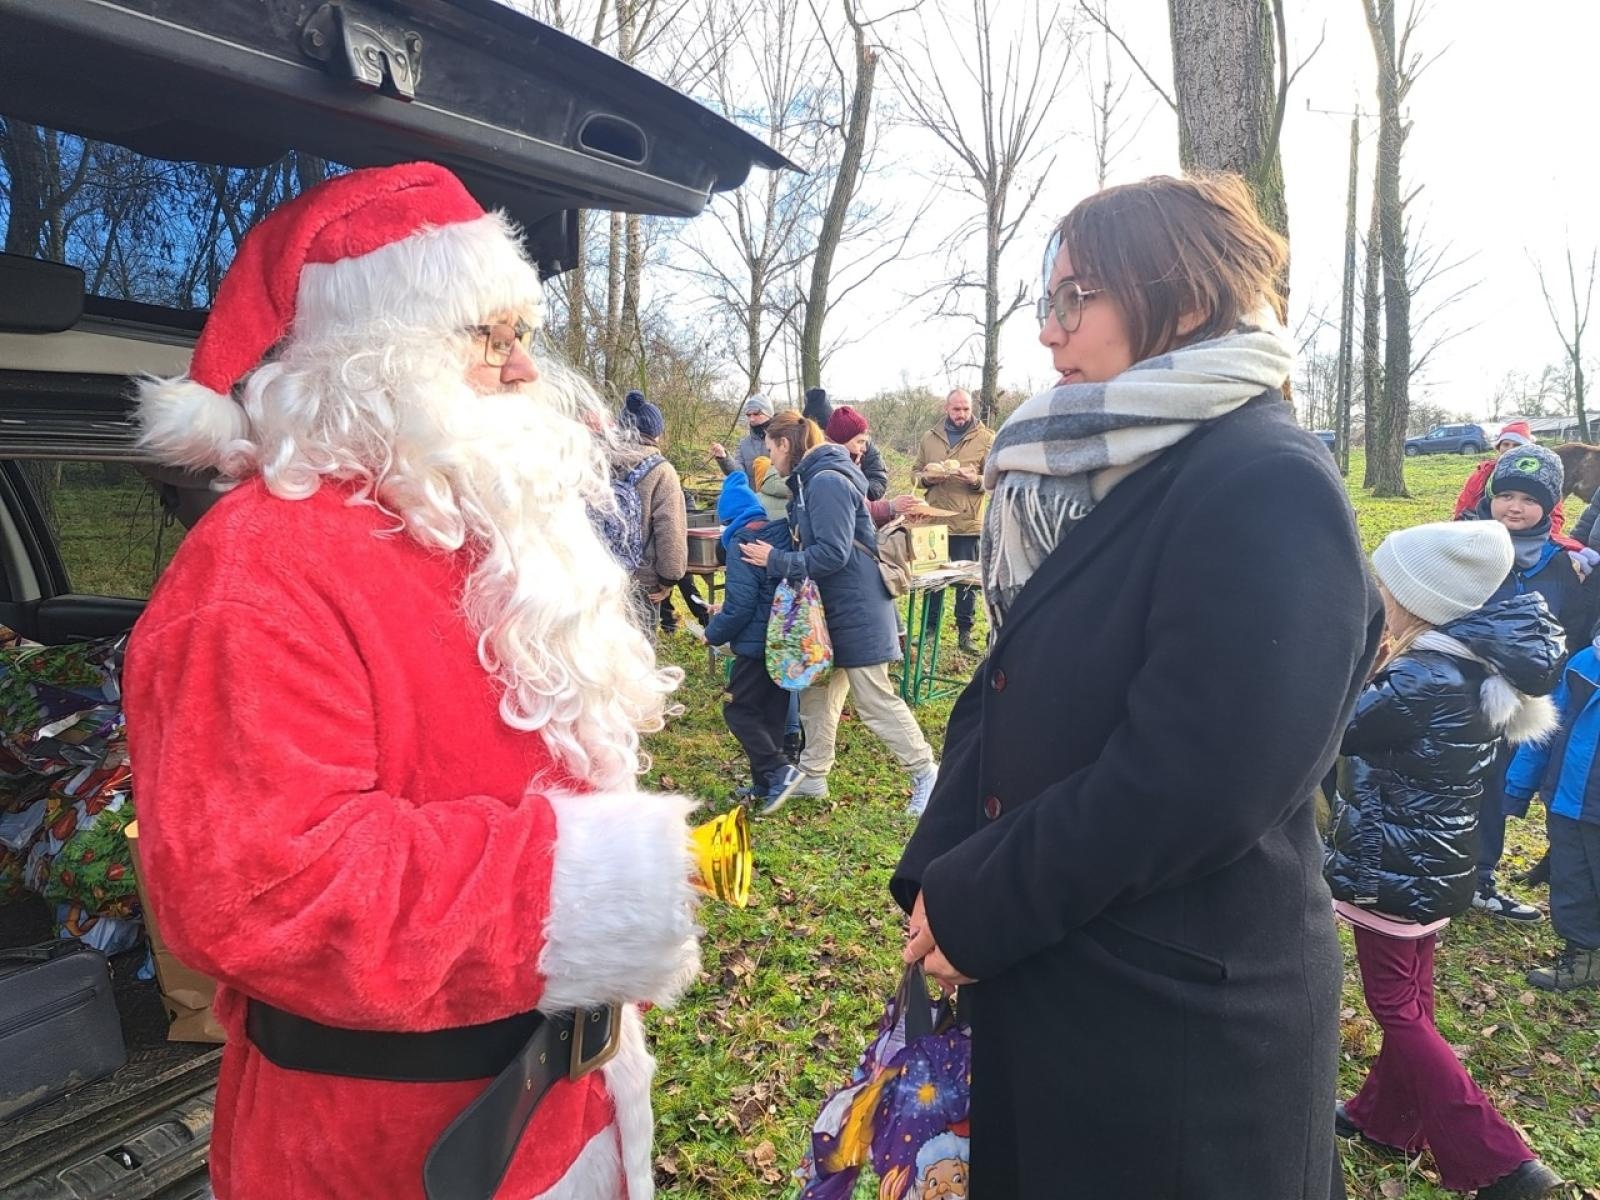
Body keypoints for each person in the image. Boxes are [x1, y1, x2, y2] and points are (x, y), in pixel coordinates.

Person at [121, 164, 701, 1200]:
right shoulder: (256, 568)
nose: (528, 370)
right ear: (373, 360)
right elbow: (262, 890)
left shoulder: (476, 535)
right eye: (492, 337)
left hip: (562, 1110)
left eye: (523, 333)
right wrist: (599, 878)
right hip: (383, 1153)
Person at [892, 173, 1382, 1198]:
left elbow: (1200, 778)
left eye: (1076, 299)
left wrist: (986, 898)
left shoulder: (1263, 480)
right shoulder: (1097, 476)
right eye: (1048, 301)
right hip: (1067, 968)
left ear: (1186, 300)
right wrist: (937, 874)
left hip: (1180, 1025)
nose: (1048, 333)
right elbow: (1015, 685)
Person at [1326, 521, 1565, 1200]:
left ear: (1417, 600)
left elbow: (1335, 727)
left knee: (1395, 1005)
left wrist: (1356, 661)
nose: (1376, 594)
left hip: (1394, 863)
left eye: (1385, 585)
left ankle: (1500, 1160)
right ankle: (1387, 1120)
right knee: (1414, 994)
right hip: (1438, 858)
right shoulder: (1466, 664)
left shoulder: (1421, 675)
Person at [739, 411, 938, 816]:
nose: (769, 458)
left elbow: (833, 553)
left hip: (857, 607)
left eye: (771, 449)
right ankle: (812, 775)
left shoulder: (826, 483)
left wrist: (775, 560)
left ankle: (927, 774)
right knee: (817, 693)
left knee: (874, 700)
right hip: (831, 609)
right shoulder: (811, 482)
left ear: (785, 444)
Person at [1464, 443, 1599, 921]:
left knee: (1495, 786)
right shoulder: (1463, 545)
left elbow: (1574, 629)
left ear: (1549, 507)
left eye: (1528, 499)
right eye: (1506, 496)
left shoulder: (1563, 564)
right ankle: (1427, 881)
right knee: (1445, 784)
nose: (1513, 507)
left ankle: (1480, 878)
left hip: (1516, 700)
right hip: (1453, 690)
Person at [702, 471, 804, 815]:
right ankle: (766, 786)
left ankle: (778, 770)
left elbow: (742, 607)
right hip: (782, 639)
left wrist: (712, 632)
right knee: (771, 713)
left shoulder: (741, 541)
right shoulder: (779, 534)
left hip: (755, 645)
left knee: (739, 709)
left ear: (727, 518)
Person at [1506, 629, 1600, 992]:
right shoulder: (1583, 663)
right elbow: (1547, 725)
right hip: (1567, 797)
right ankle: (1583, 956)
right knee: (1571, 877)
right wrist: (1519, 784)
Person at [912, 389, 994, 655]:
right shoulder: (929, 437)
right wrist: (927, 478)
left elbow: (994, 480)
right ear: (946, 408)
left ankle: (965, 632)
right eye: (956, 409)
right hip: (933, 522)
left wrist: (975, 481)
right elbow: (915, 473)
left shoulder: (986, 439)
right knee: (931, 579)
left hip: (967, 522)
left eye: (966, 409)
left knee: (966, 582)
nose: (961, 414)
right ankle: (929, 628)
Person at [615, 389, 687, 639]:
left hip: (600, 576)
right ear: (656, 433)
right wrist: (669, 578)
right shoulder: (661, 471)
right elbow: (671, 530)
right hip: (641, 581)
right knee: (638, 654)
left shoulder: (597, 462)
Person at [1452, 421, 1575, 545]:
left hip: (1527, 540)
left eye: (1516, 445)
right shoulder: (1483, 472)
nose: (1509, 449)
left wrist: (1541, 543)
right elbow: (1464, 504)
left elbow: (1554, 516)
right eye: (1505, 444)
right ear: (1498, 447)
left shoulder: (1541, 477)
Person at [825, 405, 917, 526]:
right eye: (859, 442)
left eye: (865, 441)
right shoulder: (832, 474)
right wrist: (892, 506)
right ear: (840, 443)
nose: (864, 448)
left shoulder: (844, 465)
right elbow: (857, 509)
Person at [806, 386, 889, 500]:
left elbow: (878, 479)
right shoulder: (810, 453)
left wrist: (861, 488)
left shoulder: (864, 444)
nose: (863, 447)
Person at [712, 393, 774, 479]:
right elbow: (739, 474)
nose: (752, 419)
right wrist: (724, 458)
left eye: (756, 414)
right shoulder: (744, 444)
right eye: (748, 415)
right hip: (751, 493)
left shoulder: (782, 440)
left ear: (768, 414)